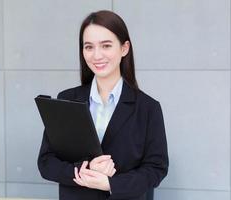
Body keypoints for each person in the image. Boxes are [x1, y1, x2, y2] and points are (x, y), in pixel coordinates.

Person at [37, 10, 168, 200]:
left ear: (124, 48)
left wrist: (110, 184)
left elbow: (156, 169)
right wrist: (86, 170)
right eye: (88, 47)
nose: (96, 55)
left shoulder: (148, 108)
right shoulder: (66, 99)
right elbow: (46, 163)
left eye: (106, 45)